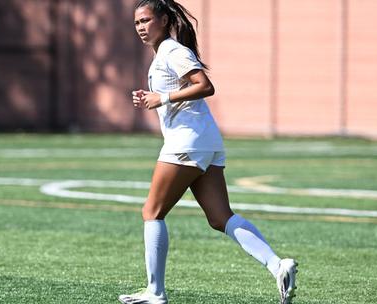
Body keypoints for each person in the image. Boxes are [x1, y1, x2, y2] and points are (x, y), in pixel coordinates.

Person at [119, 1, 298, 303]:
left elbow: (205, 86)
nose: (140, 27)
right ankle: (278, 265)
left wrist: (161, 98)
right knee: (220, 217)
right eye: (137, 22)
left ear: (164, 20)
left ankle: (155, 292)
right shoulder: (166, 53)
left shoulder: (173, 51)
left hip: (187, 143)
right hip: (206, 142)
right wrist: (152, 98)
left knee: (152, 211)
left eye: (146, 20)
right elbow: (181, 93)